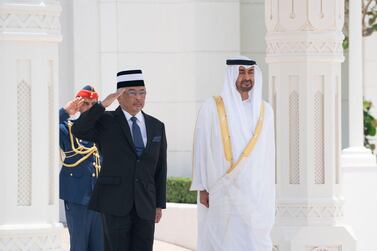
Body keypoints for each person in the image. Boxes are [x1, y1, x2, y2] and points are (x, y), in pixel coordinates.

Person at [71, 69, 167, 251]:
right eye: (132, 92)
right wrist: (102, 105)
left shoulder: (157, 126)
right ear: (119, 96)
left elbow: (160, 167)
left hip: (145, 205)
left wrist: (159, 204)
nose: (139, 98)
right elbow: (78, 130)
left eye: (142, 92)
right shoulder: (106, 121)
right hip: (114, 203)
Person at [190, 56, 276, 251]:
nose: (247, 77)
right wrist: (202, 187)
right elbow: (201, 148)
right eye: (242, 72)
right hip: (222, 190)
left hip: (254, 193)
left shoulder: (265, 111)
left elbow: (268, 156)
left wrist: (266, 190)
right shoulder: (211, 108)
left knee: (254, 241)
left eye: (251, 72)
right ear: (231, 75)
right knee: (223, 240)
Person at [59, 85, 104, 251]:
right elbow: (45, 128)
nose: (90, 108)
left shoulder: (104, 130)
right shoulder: (68, 129)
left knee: (100, 246)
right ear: (78, 105)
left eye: (94, 104)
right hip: (77, 197)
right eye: (86, 103)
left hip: (101, 199)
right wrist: (65, 111)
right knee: (79, 246)